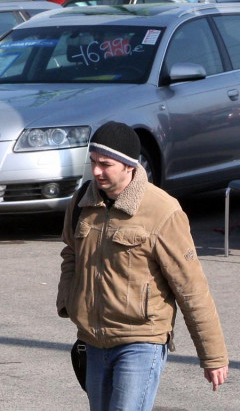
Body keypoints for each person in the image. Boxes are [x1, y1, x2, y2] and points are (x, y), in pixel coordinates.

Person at [57, 121, 229, 411]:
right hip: (94, 341)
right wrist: (69, 301)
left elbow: (191, 289)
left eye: (106, 164)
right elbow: (70, 253)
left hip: (140, 341)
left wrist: (213, 357)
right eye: (93, 162)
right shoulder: (81, 201)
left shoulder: (163, 210)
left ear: (128, 166)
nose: (97, 171)